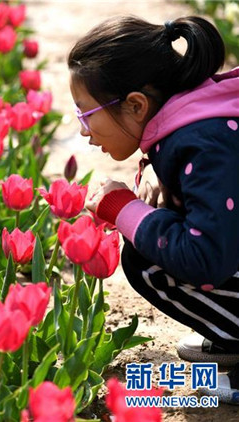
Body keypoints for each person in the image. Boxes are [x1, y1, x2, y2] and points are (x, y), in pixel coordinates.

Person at [68, 15, 239, 403]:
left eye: (86, 113)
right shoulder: (200, 118)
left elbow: (207, 257)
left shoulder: (205, 145)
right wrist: (153, 169)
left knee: (147, 256)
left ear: (136, 104)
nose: (83, 130)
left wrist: (123, 209)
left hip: (215, 253)